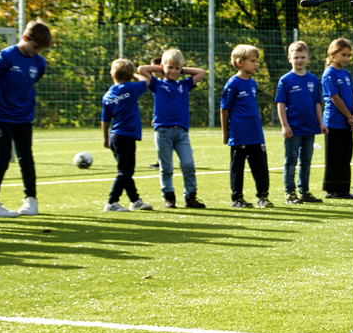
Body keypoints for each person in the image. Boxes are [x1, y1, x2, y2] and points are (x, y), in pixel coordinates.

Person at [0, 20, 52, 218]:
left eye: (41, 49)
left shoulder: (39, 63)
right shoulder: (6, 56)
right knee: (3, 157)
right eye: (35, 47)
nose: (37, 52)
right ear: (26, 38)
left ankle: (31, 200)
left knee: (25, 156)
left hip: (24, 116)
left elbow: (29, 84)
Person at [138, 49, 207, 209]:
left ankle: (191, 196)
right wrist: (161, 68)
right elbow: (142, 69)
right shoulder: (157, 84)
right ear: (163, 67)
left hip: (181, 132)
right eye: (170, 68)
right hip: (163, 131)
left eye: (177, 69)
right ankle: (169, 196)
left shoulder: (184, 85)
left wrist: (181, 68)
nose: (174, 71)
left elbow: (200, 73)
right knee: (166, 166)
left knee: (188, 164)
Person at [275, 41, 326, 205]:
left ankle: (304, 191)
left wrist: (321, 122)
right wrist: (284, 125)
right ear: (289, 58)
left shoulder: (313, 79)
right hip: (293, 128)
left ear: (308, 58)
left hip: (310, 127)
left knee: (306, 161)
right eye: (296, 57)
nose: (300, 60)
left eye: (303, 57)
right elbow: (281, 104)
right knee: (290, 160)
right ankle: (289, 193)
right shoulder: (285, 80)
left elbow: (317, 103)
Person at [220, 44, 271, 209]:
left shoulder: (253, 83)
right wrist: (225, 133)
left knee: (261, 166)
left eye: (256, 61)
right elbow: (224, 109)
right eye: (252, 61)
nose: (256, 64)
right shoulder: (232, 84)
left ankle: (263, 196)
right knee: (238, 167)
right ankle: (237, 198)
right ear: (239, 62)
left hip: (255, 132)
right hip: (239, 133)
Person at [101, 59, 153, 212]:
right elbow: (147, 80)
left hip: (114, 136)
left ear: (112, 74)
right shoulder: (130, 88)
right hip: (127, 136)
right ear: (129, 75)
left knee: (125, 170)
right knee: (125, 171)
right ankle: (112, 201)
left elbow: (105, 120)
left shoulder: (108, 95)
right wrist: (135, 75)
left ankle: (135, 201)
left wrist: (105, 139)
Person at [321, 38, 353, 199]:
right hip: (334, 122)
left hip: (347, 123)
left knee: (346, 156)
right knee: (334, 157)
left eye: (348, 55)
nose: (346, 59)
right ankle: (332, 189)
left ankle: (344, 188)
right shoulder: (329, 73)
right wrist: (349, 116)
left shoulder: (347, 74)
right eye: (343, 55)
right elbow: (335, 98)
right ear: (333, 54)